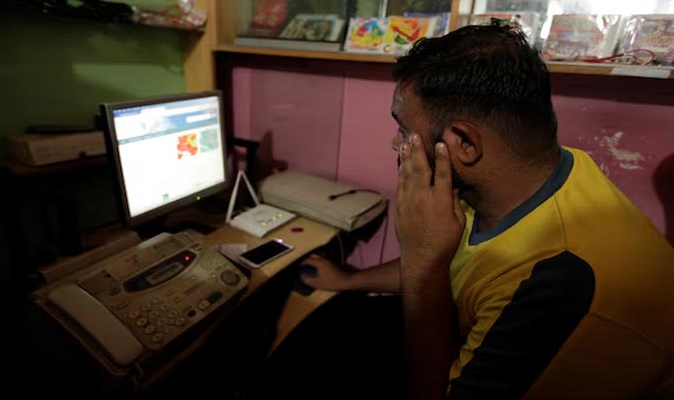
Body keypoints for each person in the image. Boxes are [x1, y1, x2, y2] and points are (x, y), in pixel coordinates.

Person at [262, 24, 674, 400]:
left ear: (463, 143)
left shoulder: (559, 282)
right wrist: (350, 279)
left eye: (405, 130)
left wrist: (421, 261)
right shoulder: (534, 173)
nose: (396, 145)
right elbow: (458, 262)